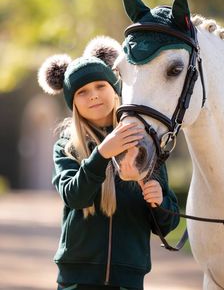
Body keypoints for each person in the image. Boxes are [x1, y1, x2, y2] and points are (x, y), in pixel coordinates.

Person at [38, 36, 180, 290]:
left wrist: (159, 200)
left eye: (100, 86)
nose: (93, 96)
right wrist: (102, 153)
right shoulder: (66, 146)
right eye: (82, 92)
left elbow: (166, 226)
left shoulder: (144, 141)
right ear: (73, 103)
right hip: (77, 280)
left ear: (115, 89)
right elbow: (75, 196)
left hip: (129, 280)